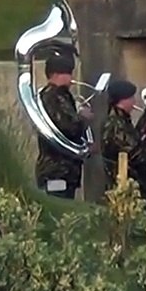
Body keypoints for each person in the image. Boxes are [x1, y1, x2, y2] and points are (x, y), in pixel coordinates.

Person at [101, 79, 146, 208]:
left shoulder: (123, 121)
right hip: (128, 186)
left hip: (137, 184)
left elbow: (136, 141)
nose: (134, 102)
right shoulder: (116, 124)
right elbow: (136, 156)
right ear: (123, 100)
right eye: (131, 98)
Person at [34, 54, 92, 199]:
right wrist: (83, 118)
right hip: (57, 169)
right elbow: (67, 127)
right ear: (55, 74)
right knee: (60, 203)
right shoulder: (53, 97)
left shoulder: (60, 96)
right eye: (67, 73)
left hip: (64, 168)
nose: (71, 78)